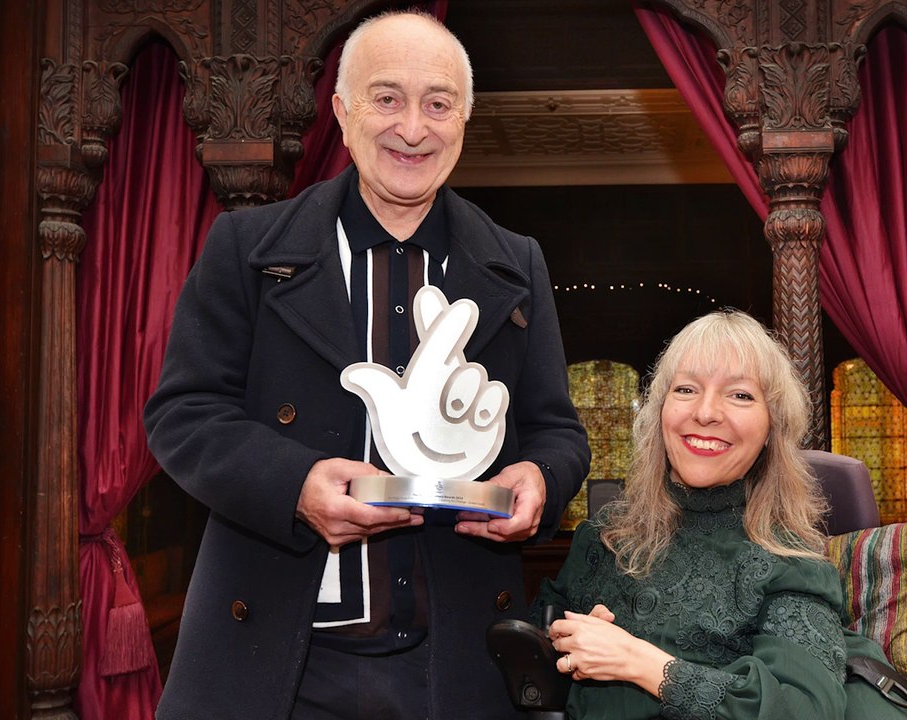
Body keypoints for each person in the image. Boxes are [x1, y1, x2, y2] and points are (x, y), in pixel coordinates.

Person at [144, 10, 589, 720]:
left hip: (458, 663)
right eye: (387, 98)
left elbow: (557, 432)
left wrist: (540, 480)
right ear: (343, 114)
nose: (413, 127)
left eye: (438, 104)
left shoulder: (518, 264)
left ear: (464, 119)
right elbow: (182, 415)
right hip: (278, 664)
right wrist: (294, 484)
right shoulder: (245, 248)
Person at [535, 310, 907, 719]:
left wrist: (642, 664)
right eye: (685, 389)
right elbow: (532, 665)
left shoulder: (790, 562)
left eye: (740, 395)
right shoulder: (603, 537)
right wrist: (562, 642)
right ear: (658, 412)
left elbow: (803, 710)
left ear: (772, 429)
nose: (706, 412)